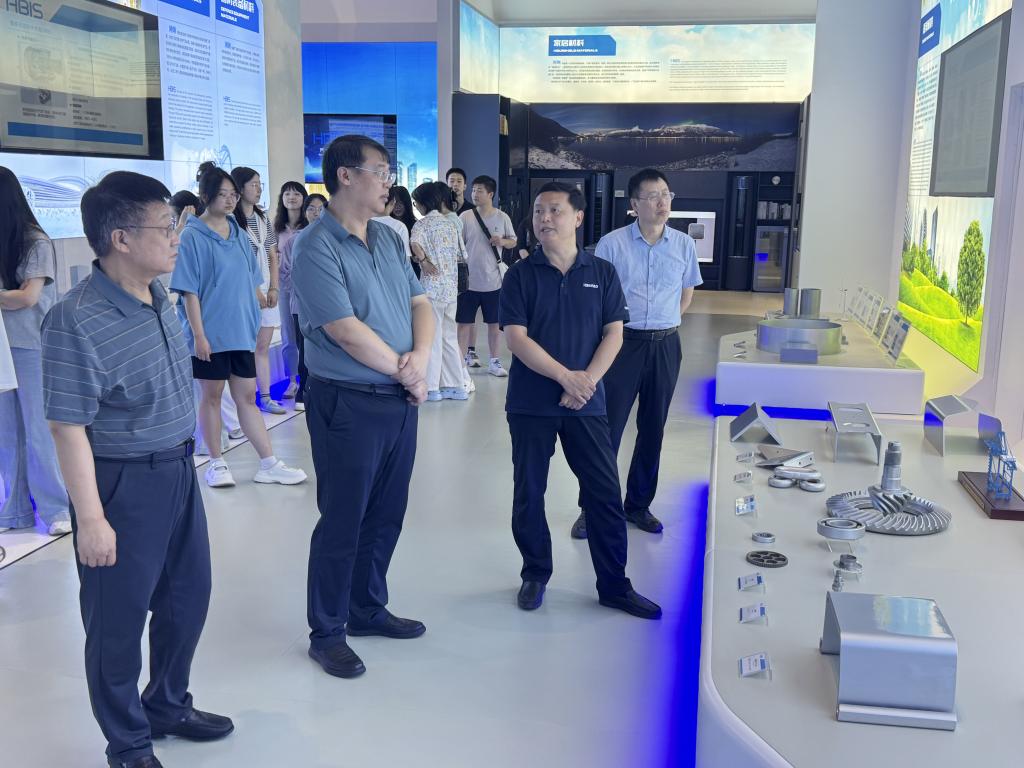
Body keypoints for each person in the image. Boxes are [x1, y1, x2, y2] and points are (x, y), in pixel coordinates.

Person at [42, 171, 233, 768]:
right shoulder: (75, 319)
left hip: (177, 469)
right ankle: (127, 743)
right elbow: (68, 427)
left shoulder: (161, 295)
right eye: (165, 227)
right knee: (117, 623)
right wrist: (91, 519)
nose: (176, 237)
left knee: (187, 598)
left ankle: (168, 704)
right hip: (121, 483)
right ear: (120, 238)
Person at [292, 134, 434, 679]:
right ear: (346, 176)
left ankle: (367, 607)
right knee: (344, 518)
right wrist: (406, 370)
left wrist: (420, 360)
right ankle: (327, 632)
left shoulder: (389, 237)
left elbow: (420, 302)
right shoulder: (315, 245)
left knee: (386, 512)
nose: (388, 182)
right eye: (381, 171)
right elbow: (344, 330)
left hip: (398, 398)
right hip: (347, 402)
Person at [499, 181, 661, 620]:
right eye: (538, 211)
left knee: (603, 494)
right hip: (531, 403)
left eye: (554, 210)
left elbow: (614, 334)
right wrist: (565, 377)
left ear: (578, 217)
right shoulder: (519, 275)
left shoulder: (601, 272)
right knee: (529, 492)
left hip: (586, 403)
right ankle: (535, 573)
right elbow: (516, 338)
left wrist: (585, 382)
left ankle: (614, 585)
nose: (544, 218)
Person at [570, 169, 702, 539]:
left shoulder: (683, 245)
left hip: (666, 346)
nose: (663, 202)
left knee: (653, 429)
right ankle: (593, 508)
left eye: (666, 194)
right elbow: (596, 298)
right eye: (653, 196)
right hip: (621, 345)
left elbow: (686, 293)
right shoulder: (612, 245)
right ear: (634, 204)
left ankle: (638, 505)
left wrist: (666, 320)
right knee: (606, 429)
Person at [171, 166, 306, 489]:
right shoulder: (192, 236)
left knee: (246, 396)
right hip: (209, 334)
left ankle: (268, 463)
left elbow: (251, 281)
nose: (230, 200)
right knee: (212, 397)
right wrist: (199, 335)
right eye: (223, 195)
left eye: (233, 194)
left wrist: (263, 303)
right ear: (206, 196)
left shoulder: (238, 232)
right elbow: (189, 291)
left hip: (240, 332)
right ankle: (216, 463)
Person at [0, 166, 70, 536]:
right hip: (3, 347)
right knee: (7, 432)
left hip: (30, 345)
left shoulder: (35, 241)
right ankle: (14, 511)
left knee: (39, 430)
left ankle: (56, 508)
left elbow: (27, 297)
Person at [231, 167, 284, 415]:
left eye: (260, 183)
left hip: (267, 287)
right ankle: (246, 400)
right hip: (243, 291)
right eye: (253, 184)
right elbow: (237, 261)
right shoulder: (231, 221)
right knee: (245, 348)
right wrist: (255, 291)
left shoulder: (263, 219)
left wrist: (274, 287)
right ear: (240, 188)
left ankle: (266, 397)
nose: (259, 188)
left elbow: (273, 255)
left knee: (263, 346)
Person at [410, 182, 467, 402]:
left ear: (425, 203)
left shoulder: (422, 224)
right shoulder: (450, 224)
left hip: (431, 289)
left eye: (416, 202)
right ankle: (455, 386)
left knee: (431, 337)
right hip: (450, 288)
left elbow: (415, 244)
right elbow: (462, 255)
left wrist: (423, 260)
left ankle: (433, 387)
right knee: (450, 337)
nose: (416, 206)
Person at [458, 175, 516, 378]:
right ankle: (460, 366)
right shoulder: (465, 216)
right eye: (473, 190)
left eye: (480, 190)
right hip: (468, 282)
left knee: (494, 324)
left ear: (490, 194)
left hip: (494, 281)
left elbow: (513, 241)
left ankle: (494, 361)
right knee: (464, 324)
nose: (475, 194)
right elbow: (458, 244)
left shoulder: (502, 217)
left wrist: (502, 241)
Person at [273, 180, 308, 406]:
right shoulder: (276, 229)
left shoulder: (309, 227)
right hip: (285, 288)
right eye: (287, 194)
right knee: (288, 335)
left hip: (306, 289)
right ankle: (293, 380)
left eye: (296, 193)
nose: (292, 197)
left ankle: (308, 377)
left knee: (305, 335)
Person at [375, 185, 415, 276]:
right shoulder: (392, 225)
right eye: (395, 203)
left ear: (407, 204)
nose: (398, 207)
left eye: (401, 203)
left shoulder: (414, 225)